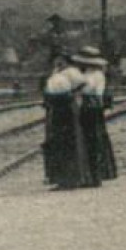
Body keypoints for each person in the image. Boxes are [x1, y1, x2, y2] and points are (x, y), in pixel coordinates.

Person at [42, 53, 97, 189]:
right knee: (58, 142)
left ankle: (70, 178)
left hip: (66, 108)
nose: (58, 63)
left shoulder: (71, 73)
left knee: (67, 141)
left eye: (61, 60)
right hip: (57, 108)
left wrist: (72, 94)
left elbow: (83, 85)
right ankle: (62, 177)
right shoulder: (56, 73)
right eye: (56, 60)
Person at [72, 46, 118, 183]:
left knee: (93, 138)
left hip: (92, 107)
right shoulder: (89, 73)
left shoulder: (95, 75)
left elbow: (86, 88)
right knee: (91, 137)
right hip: (90, 106)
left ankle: (96, 173)